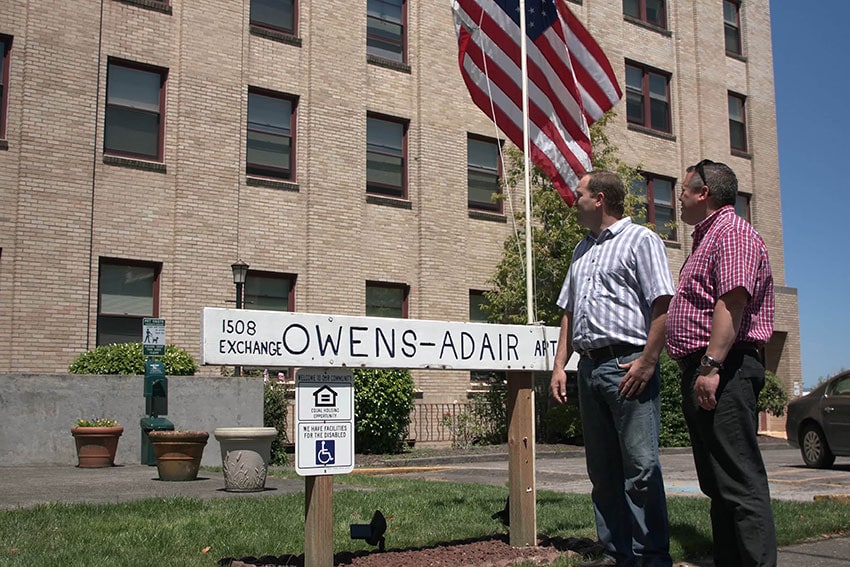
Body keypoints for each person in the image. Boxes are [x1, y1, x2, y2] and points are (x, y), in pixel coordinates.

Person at [550, 170, 674, 567]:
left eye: (580, 194)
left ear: (600, 199)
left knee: (640, 468)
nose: (575, 200)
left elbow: (662, 305)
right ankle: (616, 553)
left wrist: (648, 361)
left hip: (627, 364)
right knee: (602, 471)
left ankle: (650, 556)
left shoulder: (642, 240)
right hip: (588, 368)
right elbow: (569, 313)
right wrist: (559, 367)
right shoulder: (580, 250)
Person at [666, 159, 777, 566]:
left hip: (724, 370)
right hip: (705, 369)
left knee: (741, 482)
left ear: (703, 192)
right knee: (719, 484)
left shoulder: (731, 234)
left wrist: (711, 366)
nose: (678, 197)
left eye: (683, 189)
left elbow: (732, 301)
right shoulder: (707, 238)